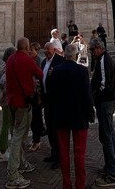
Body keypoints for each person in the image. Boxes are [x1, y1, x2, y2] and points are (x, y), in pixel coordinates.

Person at [50, 43, 94, 189]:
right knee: (79, 152)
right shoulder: (82, 71)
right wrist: (91, 113)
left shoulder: (55, 70)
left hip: (61, 117)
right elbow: (87, 95)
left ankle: (66, 184)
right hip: (79, 116)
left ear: (64, 55)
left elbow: (52, 95)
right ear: (76, 56)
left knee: (63, 152)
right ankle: (80, 184)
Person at [5, 37, 44, 189]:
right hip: (22, 103)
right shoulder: (27, 60)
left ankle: (21, 163)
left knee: (18, 134)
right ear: (27, 47)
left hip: (11, 102)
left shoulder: (10, 60)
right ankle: (13, 174)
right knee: (18, 136)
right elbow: (40, 74)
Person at [89, 37, 115, 187]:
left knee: (106, 136)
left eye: (92, 50)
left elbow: (104, 85)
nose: (92, 53)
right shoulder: (103, 59)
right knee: (110, 134)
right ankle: (112, 165)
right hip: (108, 101)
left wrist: (93, 97)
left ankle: (112, 174)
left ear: (99, 48)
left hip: (105, 102)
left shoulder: (103, 60)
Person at [41, 40, 65, 169]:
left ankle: (59, 157)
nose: (46, 52)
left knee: (56, 130)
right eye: (45, 50)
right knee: (50, 129)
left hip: (56, 102)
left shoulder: (59, 61)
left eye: (48, 49)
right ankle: (53, 153)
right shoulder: (44, 62)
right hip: (47, 101)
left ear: (54, 50)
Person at [0, 46, 16, 162]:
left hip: (4, 99)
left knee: (6, 124)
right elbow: (3, 82)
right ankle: (3, 151)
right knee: (8, 125)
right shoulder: (7, 67)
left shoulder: (2, 66)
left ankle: (4, 149)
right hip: (8, 99)